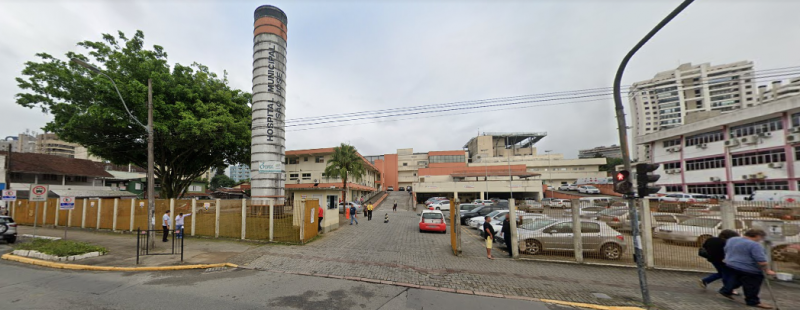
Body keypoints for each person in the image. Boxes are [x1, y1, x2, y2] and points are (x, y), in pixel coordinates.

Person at [719, 229, 776, 309]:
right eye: (761, 237)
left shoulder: (732, 239)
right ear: (758, 236)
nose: (760, 240)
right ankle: (752, 301)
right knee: (752, 285)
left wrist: (728, 258)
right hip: (749, 268)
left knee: (737, 279)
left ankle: (726, 290)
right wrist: (767, 270)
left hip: (732, 264)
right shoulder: (755, 245)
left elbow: (726, 249)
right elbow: (761, 260)